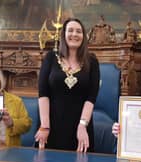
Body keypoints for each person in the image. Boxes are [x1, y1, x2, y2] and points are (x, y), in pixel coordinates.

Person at [34, 18, 100, 152]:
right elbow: (43, 93)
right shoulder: (51, 57)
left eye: (78, 31)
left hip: (80, 126)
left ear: (84, 36)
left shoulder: (92, 61)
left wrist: (82, 126)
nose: (74, 34)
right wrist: (45, 126)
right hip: (51, 124)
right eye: (70, 30)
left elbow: (91, 97)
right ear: (63, 35)